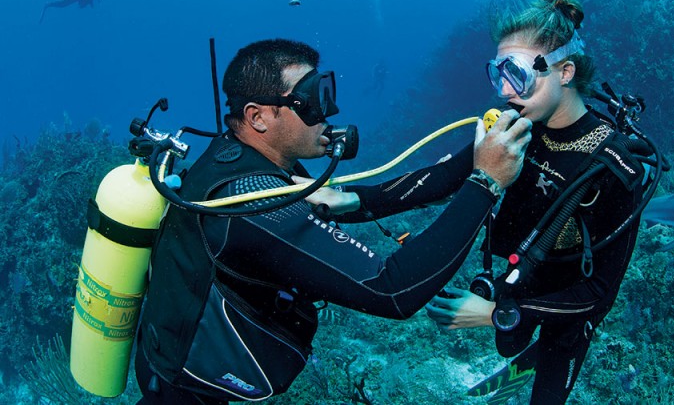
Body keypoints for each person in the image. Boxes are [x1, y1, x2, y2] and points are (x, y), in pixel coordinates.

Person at [134, 38, 532, 404]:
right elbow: (392, 292)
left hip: (167, 366)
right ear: (258, 117)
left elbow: (353, 200)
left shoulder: (243, 158)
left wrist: (494, 142)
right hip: (188, 393)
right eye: (309, 99)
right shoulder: (254, 203)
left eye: (325, 91)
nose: (328, 112)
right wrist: (486, 183)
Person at [306, 0, 647, 405]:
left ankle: (541, 353)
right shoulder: (517, 129)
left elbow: (598, 295)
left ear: (564, 71)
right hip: (519, 280)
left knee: (553, 371)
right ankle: (522, 342)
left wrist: (494, 315)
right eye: (497, 73)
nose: (504, 91)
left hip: (568, 306)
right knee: (510, 342)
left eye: (517, 74)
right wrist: (355, 200)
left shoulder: (613, 167)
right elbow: (440, 178)